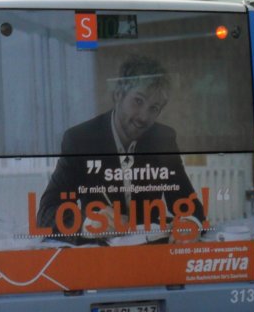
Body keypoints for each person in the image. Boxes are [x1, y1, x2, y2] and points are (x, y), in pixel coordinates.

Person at [36, 54, 204, 244]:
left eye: (154, 108)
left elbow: (189, 204)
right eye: (138, 101)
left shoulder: (163, 138)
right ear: (118, 95)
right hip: (101, 259)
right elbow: (46, 213)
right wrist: (87, 222)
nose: (143, 117)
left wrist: (190, 222)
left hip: (150, 252)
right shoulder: (79, 139)